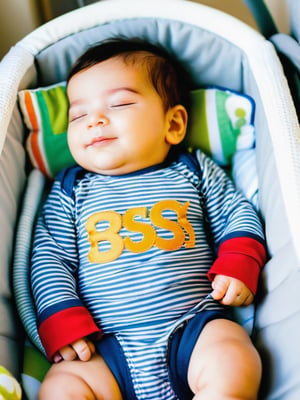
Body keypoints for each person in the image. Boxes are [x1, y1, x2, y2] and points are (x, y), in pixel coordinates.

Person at [31, 38, 267, 400]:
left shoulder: (192, 169)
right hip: (104, 345)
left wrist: (238, 261)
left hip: (192, 328)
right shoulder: (70, 191)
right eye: (77, 115)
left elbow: (236, 212)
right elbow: (50, 258)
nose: (94, 120)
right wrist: (63, 318)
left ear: (173, 124)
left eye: (120, 103)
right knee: (63, 384)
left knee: (232, 356)